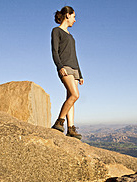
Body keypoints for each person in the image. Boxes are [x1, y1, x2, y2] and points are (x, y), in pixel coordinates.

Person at [51, 6, 84, 140]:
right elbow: (54, 51)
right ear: (67, 15)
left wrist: (80, 74)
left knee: (71, 98)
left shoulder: (71, 37)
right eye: (74, 16)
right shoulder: (56, 31)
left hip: (75, 69)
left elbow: (75, 56)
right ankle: (59, 121)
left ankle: (71, 128)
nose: (75, 20)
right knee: (75, 95)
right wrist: (59, 66)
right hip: (65, 67)